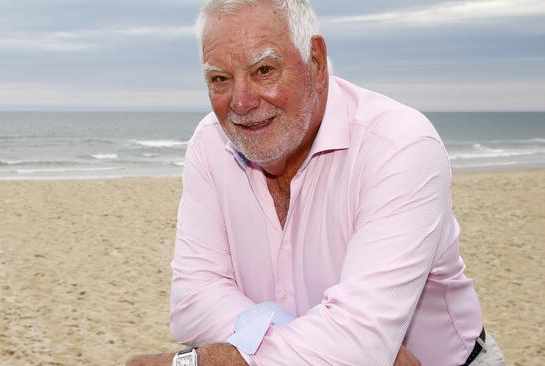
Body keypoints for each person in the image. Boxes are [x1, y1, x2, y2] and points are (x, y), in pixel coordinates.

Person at [127, 0, 507, 365]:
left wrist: (211, 361)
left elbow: (359, 342)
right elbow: (191, 302)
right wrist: (332, 345)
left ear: (316, 62)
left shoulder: (399, 145)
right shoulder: (210, 143)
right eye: (220, 79)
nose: (240, 102)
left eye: (264, 70)